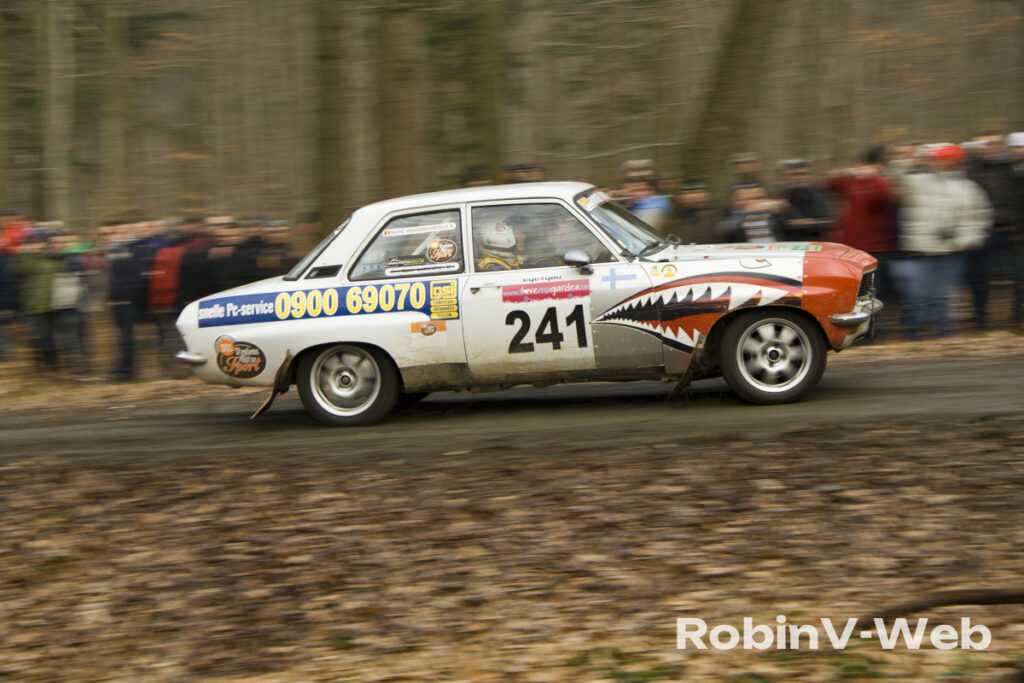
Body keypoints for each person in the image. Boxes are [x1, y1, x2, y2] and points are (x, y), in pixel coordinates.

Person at [897, 144, 992, 338]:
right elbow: (897, 178)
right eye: (934, 160)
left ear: (954, 162)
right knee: (919, 293)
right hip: (923, 250)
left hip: (952, 250)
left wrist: (966, 239)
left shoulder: (968, 188)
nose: (937, 164)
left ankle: (944, 333)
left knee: (945, 295)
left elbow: (980, 217)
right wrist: (912, 161)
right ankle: (915, 332)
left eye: (941, 160)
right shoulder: (917, 182)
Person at [826, 147, 902, 338]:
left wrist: (873, 177)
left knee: (873, 293)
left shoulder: (881, 183)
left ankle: (872, 333)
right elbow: (829, 185)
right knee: (854, 294)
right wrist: (842, 173)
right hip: (851, 250)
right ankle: (858, 333)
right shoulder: (851, 183)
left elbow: (886, 198)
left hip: (876, 250)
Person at [966, 133, 1020, 329]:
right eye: (985, 143)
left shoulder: (1011, 169)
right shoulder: (970, 170)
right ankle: (980, 317)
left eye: (994, 143)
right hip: (982, 232)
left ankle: (1017, 315)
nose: (989, 147)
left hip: (1011, 231)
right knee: (980, 278)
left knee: (1017, 276)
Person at [775, 159, 833, 241]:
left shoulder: (817, 195)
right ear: (786, 177)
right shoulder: (781, 197)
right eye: (794, 174)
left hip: (814, 244)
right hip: (790, 245)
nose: (799, 178)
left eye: (803, 174)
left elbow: (828, 222)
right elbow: (774, 226)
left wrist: (808, 223)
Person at [716, 184, 784, 243]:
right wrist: (744, 213)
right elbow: (723, 230)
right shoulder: (728, 216)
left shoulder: (773, 214)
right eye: (745, 199)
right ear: (733, 201)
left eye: (758, 198)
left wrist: (780, 208)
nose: (753, 202)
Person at [673, 179, 718, 244]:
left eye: (697, 192)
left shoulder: (716, 216)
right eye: (687, 193)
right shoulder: (677, 217)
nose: (693, 196)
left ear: (707, 194)